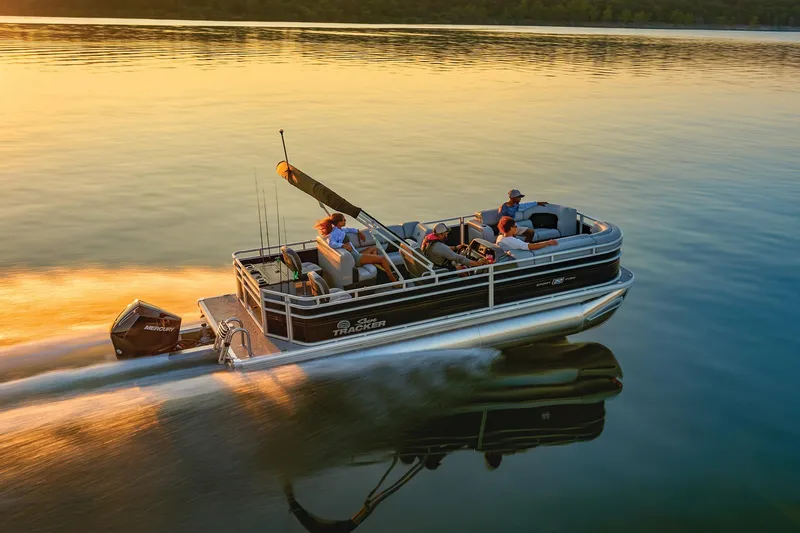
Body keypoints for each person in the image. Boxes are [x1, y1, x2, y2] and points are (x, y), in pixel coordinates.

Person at [314, 212, 398, 283]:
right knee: (382, 259)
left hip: (355, 253)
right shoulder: (334, 233)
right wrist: (343, 245)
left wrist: (358, 232)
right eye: (344, 220)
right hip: (355, 258)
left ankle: (373, 262)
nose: (345, 221)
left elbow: (349, 229)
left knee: (374, 248)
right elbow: (331, 243)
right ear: (339, 223)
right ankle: (393, 280)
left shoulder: (340, 230)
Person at [421, 223, 487, 271]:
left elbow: (443, 250)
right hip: (439, 269)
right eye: (446, 233)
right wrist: (478, 263)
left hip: (432, 264)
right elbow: (459, 259)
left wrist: (456, 248)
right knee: (462, 269)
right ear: (441, 234)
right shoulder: (440, 247)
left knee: (456, 265)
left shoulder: (429, 240)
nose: (447, 235)